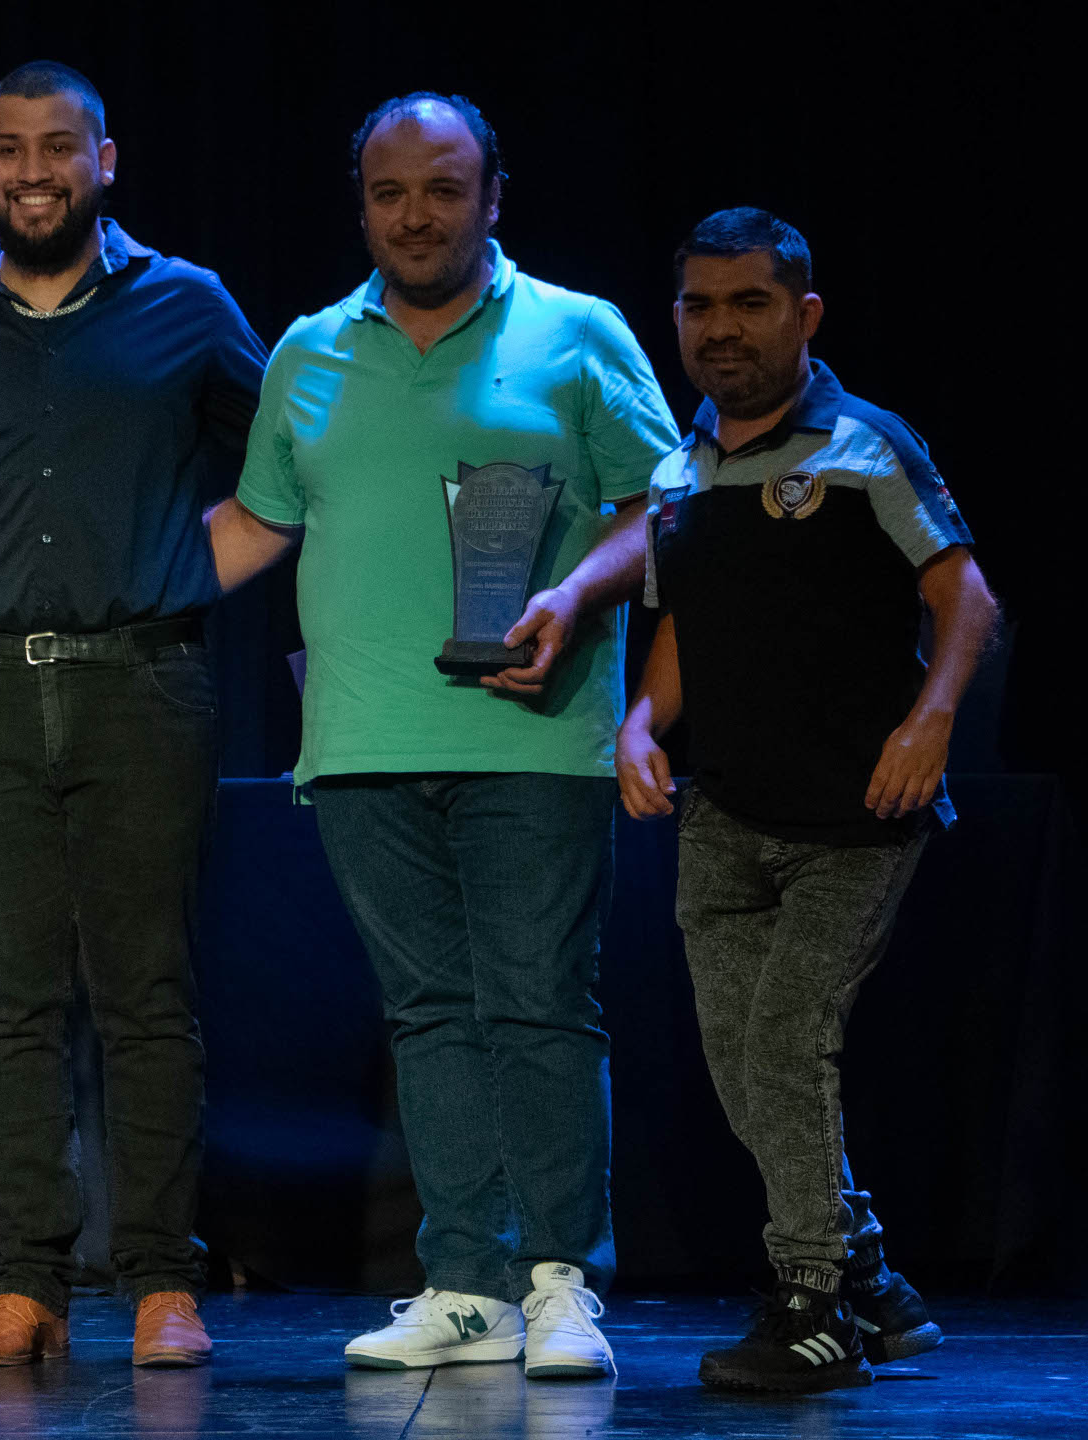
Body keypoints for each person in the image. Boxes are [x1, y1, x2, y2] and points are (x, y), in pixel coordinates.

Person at [209, 93, 679, 1378]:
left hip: (533, 734)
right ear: (361, 203)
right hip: (360, 743)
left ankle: (561, 1281)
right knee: (427, 1014)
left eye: (443, 189)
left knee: (538, 1006)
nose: (415, 216)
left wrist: (576, 599)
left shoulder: (577, 331)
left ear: (492, 196)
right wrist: (93, 588)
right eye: (389, 193)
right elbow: (254, 527)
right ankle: (469, 1284)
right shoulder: (309, 350)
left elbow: (663, 508)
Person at [0, 59, 266, 1370]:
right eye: (12, 149)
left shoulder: (187, 305)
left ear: (104, 160)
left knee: (147, 995)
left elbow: (294, 468)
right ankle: (24, 1286)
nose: (36, 172)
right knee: (9, 1002)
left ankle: (161, 1283)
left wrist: (185, 571)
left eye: (60, 147)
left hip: (144, 685)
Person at [615, 207, 998, 1393]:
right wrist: (637, 723)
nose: (722, 328)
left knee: (785, 1042)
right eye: (700, 306)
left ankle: (811, 1305)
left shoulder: (867, 445)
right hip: (724, 817)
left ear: (805, 314)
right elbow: (682, 626)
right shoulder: (677, 471)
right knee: (744, 1062)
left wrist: (930, 722)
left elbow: (966, 596)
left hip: (854, 818)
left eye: (750, 303)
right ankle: (870, 1276)